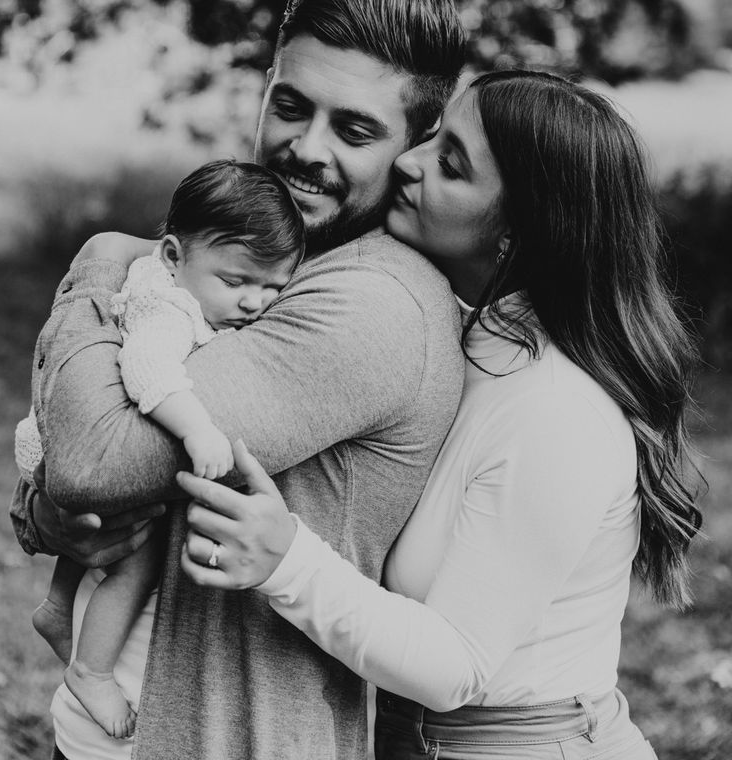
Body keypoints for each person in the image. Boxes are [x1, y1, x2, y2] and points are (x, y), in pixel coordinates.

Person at [9, 0, 468, 760]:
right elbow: (75, 483)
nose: (305, 148)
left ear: (415, 143)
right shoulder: (270, 262)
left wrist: (101, 261)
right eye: (289, 106)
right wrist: (44, 512)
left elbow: (94, 458)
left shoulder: (372, 304)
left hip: (221, 736)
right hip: (119, 725)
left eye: (354, 130)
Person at [176, 70, 703, 760]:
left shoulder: (558, 414)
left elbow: (456, 666)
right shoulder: (474, 339)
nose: (407, 162)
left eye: (449, 165)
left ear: (518, 233)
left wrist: (288, 560)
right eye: (430, 138)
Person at [14, 159, 304, 739]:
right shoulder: (168, 309)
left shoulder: (175, 279)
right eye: (237, 281)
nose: (255, 302)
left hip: (55, 433)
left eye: (273, 287)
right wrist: (197, 429)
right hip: (65, 443)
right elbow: (148, 370)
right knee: (143, 555)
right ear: (172, 255)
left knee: (114, 529)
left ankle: (56, 606)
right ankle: (92, 671)